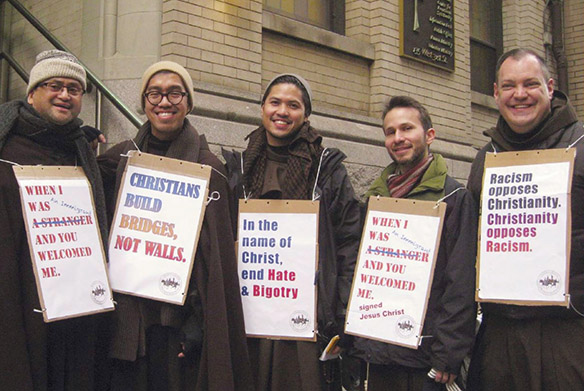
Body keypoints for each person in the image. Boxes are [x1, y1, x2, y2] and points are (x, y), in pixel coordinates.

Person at [0, 50, 108, 390]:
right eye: (55, 85)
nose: (65, 95)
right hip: (10, 297)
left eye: (74, 89)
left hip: (67, 302)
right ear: (32, 93)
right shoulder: (0, 152)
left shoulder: (80, 151)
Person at [97, 61, 253, 391]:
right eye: (154, 93)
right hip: (128, 320)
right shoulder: (123, 158)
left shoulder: (210, 169)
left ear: (188, 102)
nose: (164, 102)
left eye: (174, 93)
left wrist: (199, 324)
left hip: (176, 327)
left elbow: (216, 261)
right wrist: (75, 142)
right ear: (143, 102)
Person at [222, 74, 361, 391]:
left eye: (293, 105)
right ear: (262, 108)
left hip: (306, 320)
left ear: (306, 115)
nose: (282, 111)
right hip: (252, 316)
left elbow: (348, 243)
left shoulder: (327, 169)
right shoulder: (240, 168)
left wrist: (341, 314)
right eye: (275, 102)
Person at [466, 48, 584, 390]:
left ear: (549, 87)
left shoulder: (580, 144)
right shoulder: (487, 157)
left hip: (567, 331)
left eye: (530, 84)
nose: (519, 94)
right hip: (500, 333)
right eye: (509, 86)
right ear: (496, 93)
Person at [353, 96, 477, 391]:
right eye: (390, 132)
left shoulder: (454, 199)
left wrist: (448, 353)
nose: (398, 138)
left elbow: (460, 281)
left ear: (429, 135)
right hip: (379, 352)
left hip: (425, 359)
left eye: (407, 129)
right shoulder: (376, 198)